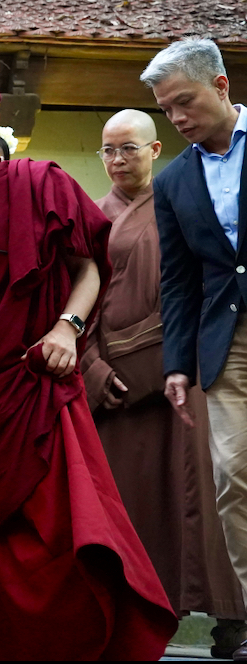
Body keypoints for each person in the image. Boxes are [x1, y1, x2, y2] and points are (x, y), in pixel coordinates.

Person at [0, 73, 176, 660]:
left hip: (34, 380)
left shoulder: (40, 181)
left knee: (55, 525)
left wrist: (67, 327)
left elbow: (88, 267)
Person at [83, 107, 247, 657]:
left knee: (208, 492)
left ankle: (230, 619)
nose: (116, 160)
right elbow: (76, 304)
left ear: (155, 150)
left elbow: (199, 286)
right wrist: (96, 369)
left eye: (128, 147)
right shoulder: (91, 216)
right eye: (108, 149)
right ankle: (134, 620)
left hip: (181, 376)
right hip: (114, 391)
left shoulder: (183, 199)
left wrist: (156, 356)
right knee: (130, 506)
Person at [146, 37, 247, 661]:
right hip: (225, 343)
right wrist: (177, 363)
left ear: (221, 85)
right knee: (233, 477)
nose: (179, 117)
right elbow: (179, 279)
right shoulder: (174, 179)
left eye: (185, 101)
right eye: (167, 110)